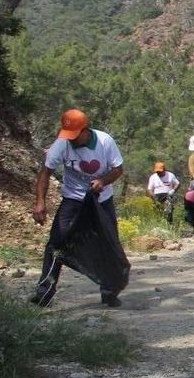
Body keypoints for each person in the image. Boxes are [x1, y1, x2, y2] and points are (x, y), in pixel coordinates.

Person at [31, 108, 125, 307]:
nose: (71, 140)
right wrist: (40, 202)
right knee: (56, 243)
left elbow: (118, 169)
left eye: (75, 136)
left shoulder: (104, 141)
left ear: (85, 130)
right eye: (68, 135)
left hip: (101, 200)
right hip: (73, 199)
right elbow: (45, 173)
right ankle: (44, 291)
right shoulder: (62, 144)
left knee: (108, 244)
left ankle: (109, 291)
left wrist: (103, 181)